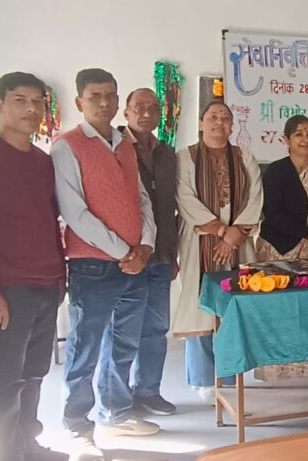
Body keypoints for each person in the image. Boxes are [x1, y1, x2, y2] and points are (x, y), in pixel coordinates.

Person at [0, 72, 67, 461]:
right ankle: (7, 453)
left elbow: (50, 221)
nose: (30, 109)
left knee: (35, 371)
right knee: (6, 377)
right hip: (7, 289)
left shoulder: (42, 161)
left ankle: (28, 445)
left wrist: (60, 278)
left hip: (46, 284)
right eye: (19, 100)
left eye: (37, 102)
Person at [52, 69, 158, 449]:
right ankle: (76, 425)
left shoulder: (124, 144)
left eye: (110, 95)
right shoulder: (66, 146)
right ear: (79, 102)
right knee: (85, 348)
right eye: (94, 96)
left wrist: (146, 245)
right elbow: (74, 211)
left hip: (135, 265)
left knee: (123, 344)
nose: (104, 102)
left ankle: (115, 413)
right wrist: (123, 251)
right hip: (93, 265)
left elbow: (141, 198)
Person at [174, 101, 262, 403]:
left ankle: (228, 374)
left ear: (232, 125)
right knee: (201, 305)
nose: (218, 123)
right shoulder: (185, 157)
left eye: (225, 118)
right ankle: (203, 378)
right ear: (201, 124)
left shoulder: (244, 156)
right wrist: (222, 231)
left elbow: (255, 197)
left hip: (239, 241)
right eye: (212, 117)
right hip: (199, 239)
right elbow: (185, 197)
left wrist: (234, 236)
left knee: (233, 305)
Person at [121, 88, 178, 416]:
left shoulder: (167, 153)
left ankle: (148, 391)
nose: (146, 113)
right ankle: (118, 398)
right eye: (139, 107)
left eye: (153, 108)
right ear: (126, 112)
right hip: (127, 256)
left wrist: (172, 254)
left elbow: (170, 208)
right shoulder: (115, 148)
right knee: (122, 331)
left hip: (161, 257)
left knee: (156, 328)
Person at [256, 115, 308, 262]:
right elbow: (273, 213)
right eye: (298, 134)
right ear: (286, 139)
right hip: (279, 250)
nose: (306, 139)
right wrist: (307, 232)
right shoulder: (276, 171)